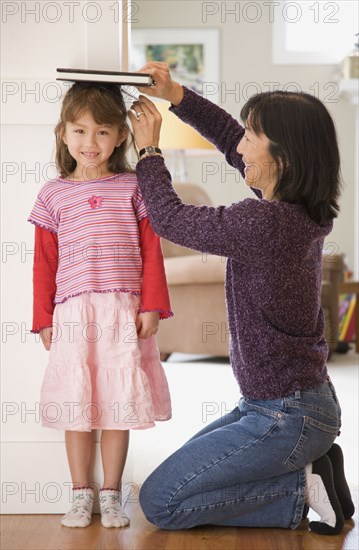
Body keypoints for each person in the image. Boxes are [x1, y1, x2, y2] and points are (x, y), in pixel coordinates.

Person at [127, 62, 355, 534]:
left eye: (252, 137)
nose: (240, 145)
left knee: (160, 503)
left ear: (283, 159)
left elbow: (169, 218)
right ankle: (313, 466)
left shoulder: (263, 222)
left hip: (284, 414)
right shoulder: (302, 210)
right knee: (185, 485)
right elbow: (228, 135)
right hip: (281, 406)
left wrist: (149, 149)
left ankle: (301, 487)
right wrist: (176, 95)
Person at [28, 82, 173, 529]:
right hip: (73, 314)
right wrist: (43, 319)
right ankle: (79, 494)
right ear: (63, 133)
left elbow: (152, 250)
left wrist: (152, 306)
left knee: (117, 405)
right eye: (79, 131)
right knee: (78, 406)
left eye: (102, 132)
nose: (90, 143)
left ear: (122, 136)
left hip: (122, 313)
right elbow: (43, 263)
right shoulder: (53, 194)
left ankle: (111, 494)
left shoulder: (134, 187)